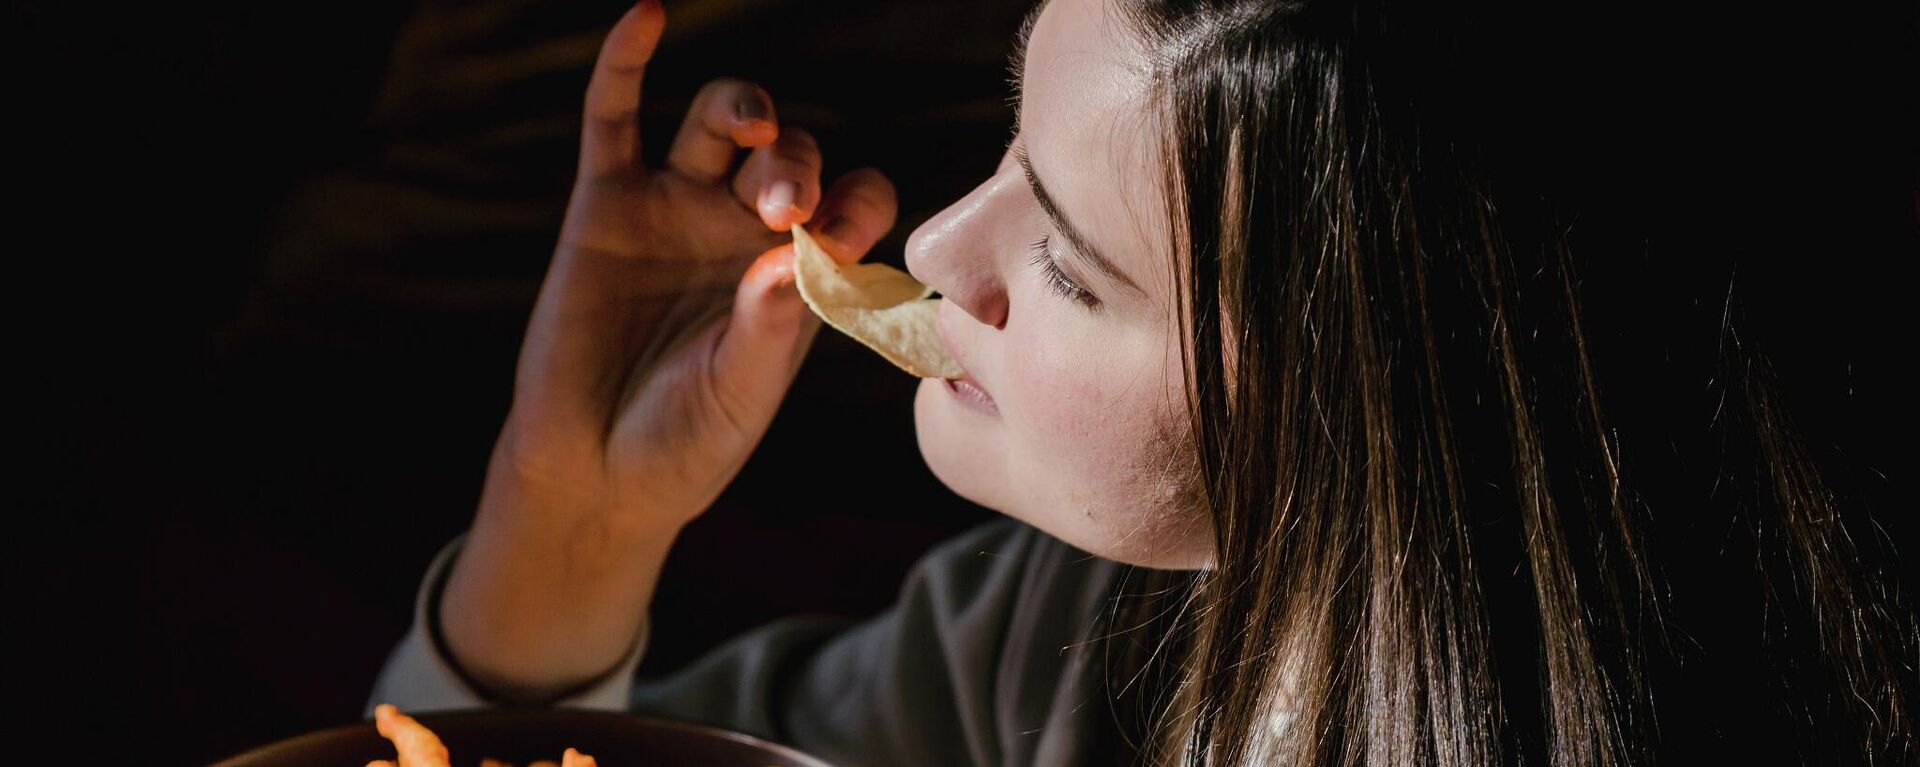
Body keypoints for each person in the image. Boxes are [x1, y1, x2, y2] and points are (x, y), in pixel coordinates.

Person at [369, 0, 1918, 764]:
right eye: (1007, 152)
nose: (934, 244)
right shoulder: (1055, 647)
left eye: (1069, 264)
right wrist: (566, 527)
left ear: (1394, 423)